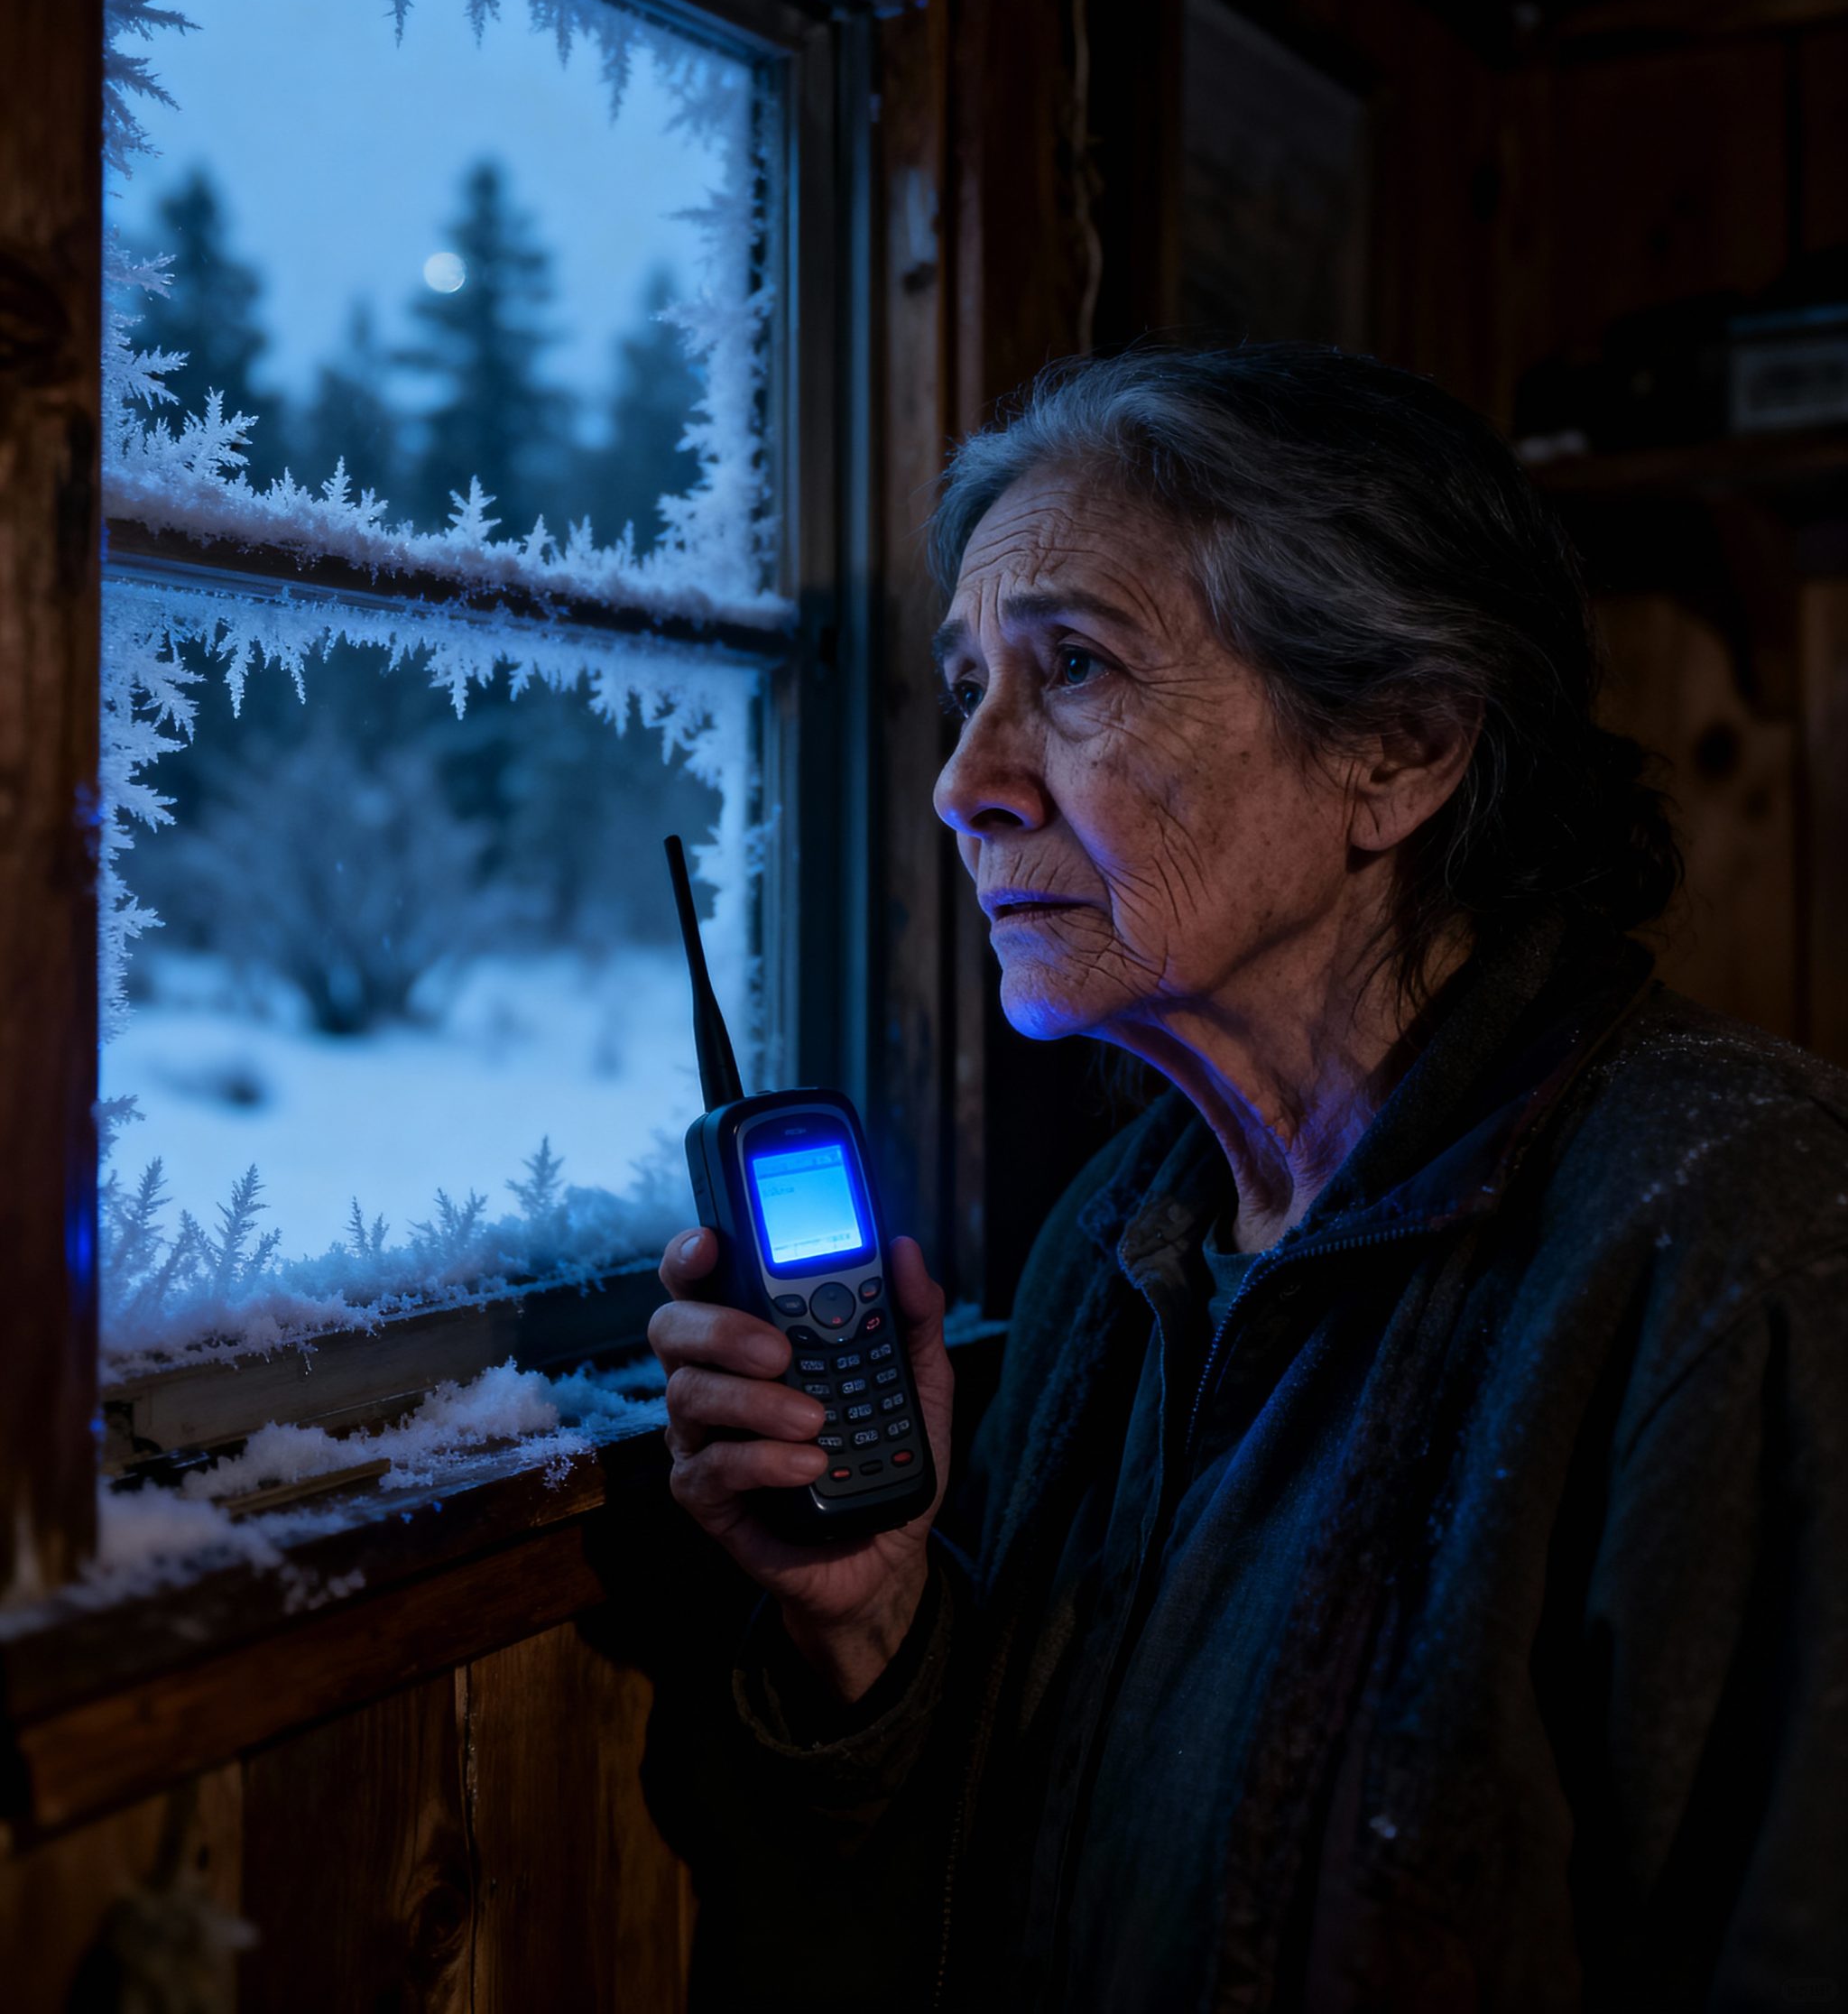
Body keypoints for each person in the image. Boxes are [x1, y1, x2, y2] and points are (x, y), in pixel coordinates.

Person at [644, 345, 1848, 2012]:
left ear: (1399, 749)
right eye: (969, 684)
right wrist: (870, 1619)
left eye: (1074, 667)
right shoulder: (1115, 1238)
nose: (963, 782)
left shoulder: (1738, 1234)